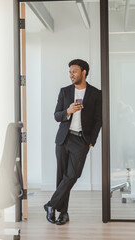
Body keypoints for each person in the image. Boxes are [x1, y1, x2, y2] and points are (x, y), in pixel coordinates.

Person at [44, 59, 102, 225]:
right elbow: (56, 116)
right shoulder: (64, 92)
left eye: (74, 71)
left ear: (83, 72)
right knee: (61, 177)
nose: (71, 75)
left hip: (81, 140)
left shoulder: (95, 94)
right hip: (63, 138)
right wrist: (68, 111)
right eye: (70, 72)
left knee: (73, 175)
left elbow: (98, 120)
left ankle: (50, 205)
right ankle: (62, 213)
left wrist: (91, 141)